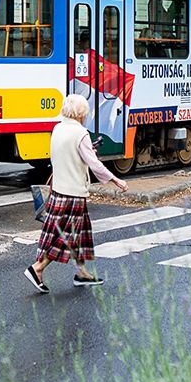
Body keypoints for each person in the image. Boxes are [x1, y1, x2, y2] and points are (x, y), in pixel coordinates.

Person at [23, 94, 128, 294]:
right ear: (81, 114)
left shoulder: (58, 128)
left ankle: (82, 273)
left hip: (59, 191)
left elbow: (65, 155)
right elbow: (94, 164)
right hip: (73, 194)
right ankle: (37, 269)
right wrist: (116, 180)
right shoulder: (81, 134)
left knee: (76, 234)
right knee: (65, 237)